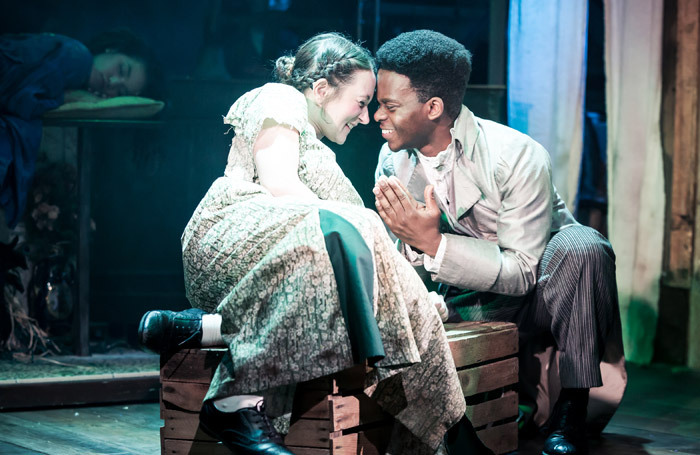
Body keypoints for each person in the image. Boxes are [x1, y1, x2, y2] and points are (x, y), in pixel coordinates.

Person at [138, 32, 491, 455]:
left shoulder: (328, 166)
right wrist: (398, 280)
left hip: (295, 269)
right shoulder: (280, 99)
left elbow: (366, 259)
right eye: (361, 102)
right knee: (351, 234)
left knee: (367, 281)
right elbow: (281, 186)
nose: (365, 118)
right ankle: (453, 434)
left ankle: (210, 330)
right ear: (321, 90)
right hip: (232, 237)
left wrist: (405, 290)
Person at [372, 30, 625, 455]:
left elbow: (525, 269)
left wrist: (433, 242)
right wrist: (413, 245)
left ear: (433, 108)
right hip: (467, 297)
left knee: (583, 244)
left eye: (390, 105)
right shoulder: (392, 159)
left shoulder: (516, 154)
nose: (376, 115)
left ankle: (573, 409)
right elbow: (407, 260)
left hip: (544, 295)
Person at [0, 29, 162, 229]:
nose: (112, 83)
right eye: (121, 69)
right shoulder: (75, 56)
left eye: (120, 91)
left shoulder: (79, 99)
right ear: (111, 50)